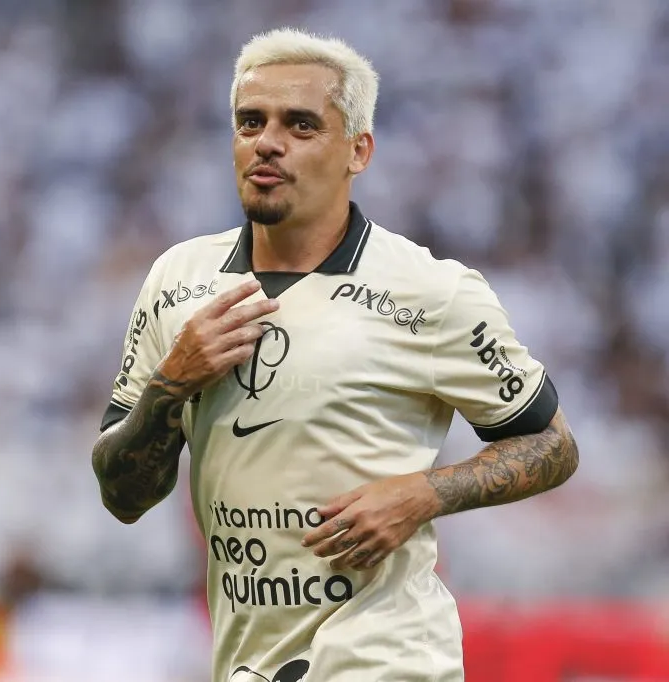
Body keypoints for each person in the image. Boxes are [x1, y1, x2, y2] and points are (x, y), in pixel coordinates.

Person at [91, 27, 579, 682]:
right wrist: (169, 386)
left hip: (389, 657)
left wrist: (423, 492)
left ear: (358, 150)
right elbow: (124, 495)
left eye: (299, 124)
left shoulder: (431, 292)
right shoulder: (178, 282)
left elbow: (551, 446)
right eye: (250, 122)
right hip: (251, 659)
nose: (267, 141)